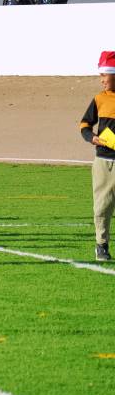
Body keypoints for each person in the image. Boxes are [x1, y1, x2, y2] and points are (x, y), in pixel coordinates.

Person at [80, 51, 115, 261]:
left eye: (105, 75)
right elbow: (84, 124)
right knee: (102, 205)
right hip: (104, 162)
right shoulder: (99, 99)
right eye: (100, 75)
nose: (102, 80)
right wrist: (92, 138)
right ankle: (101, 245)